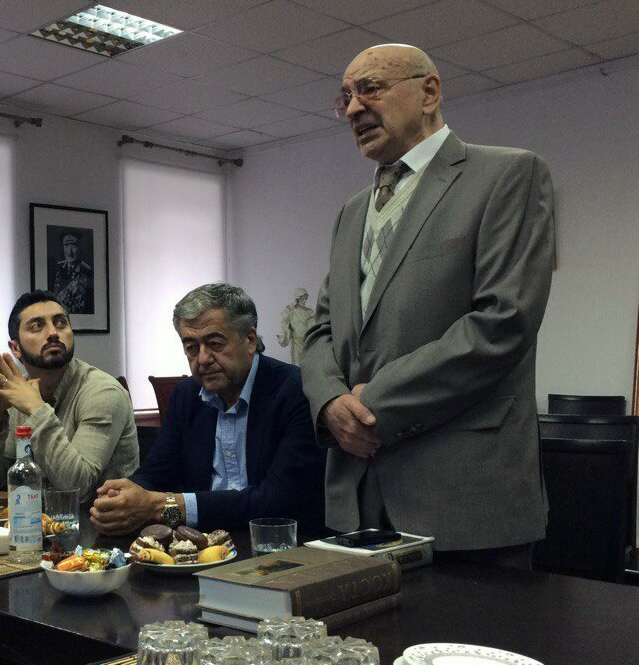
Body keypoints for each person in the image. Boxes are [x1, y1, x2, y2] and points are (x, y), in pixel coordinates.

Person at [300, 44, 554, 568]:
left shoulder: (508, 174)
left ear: (430, 92)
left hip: (464, 502)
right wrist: (329, 404)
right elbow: (321, 330)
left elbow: (503, 321)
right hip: (358, 498)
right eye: (345, 98)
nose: (353, 109)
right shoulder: (351, 212)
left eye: (369, 88)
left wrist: (374, 404)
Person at [90, 283, 327, 535]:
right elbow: (158, 471)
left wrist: (165, 506)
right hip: (202, 545)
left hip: (281, 545)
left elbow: (278, 500)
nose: (202, 359)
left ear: (250, 340)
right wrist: (122, 497)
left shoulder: (297, 390)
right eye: (191, 347)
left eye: (215, 344)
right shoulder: (185, 396)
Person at [0, 290, 138, 503]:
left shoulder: (103, 392)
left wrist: (36, 409)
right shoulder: (16, 392)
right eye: (37, 326)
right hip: (29, 521)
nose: (53, 332)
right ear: (15, 348)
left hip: (94, 523)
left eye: (61, 323)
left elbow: (77, 489)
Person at [51, 232, 94, 314]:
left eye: (74, 246)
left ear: (80, 247)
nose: (69, 252)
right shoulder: (57, 268)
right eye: (66, 246)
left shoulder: (88, 272)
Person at [277, 287, 317, 366]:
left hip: (308, 343)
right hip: (296, 344)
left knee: (309, 366)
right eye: (302, 299)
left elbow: (314, 327)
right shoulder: (290, 311)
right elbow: (285, 325)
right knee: (297, 366)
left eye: (305, 299)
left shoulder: (309, 312)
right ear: (298, 298)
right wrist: (283, 337)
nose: (304, 301)